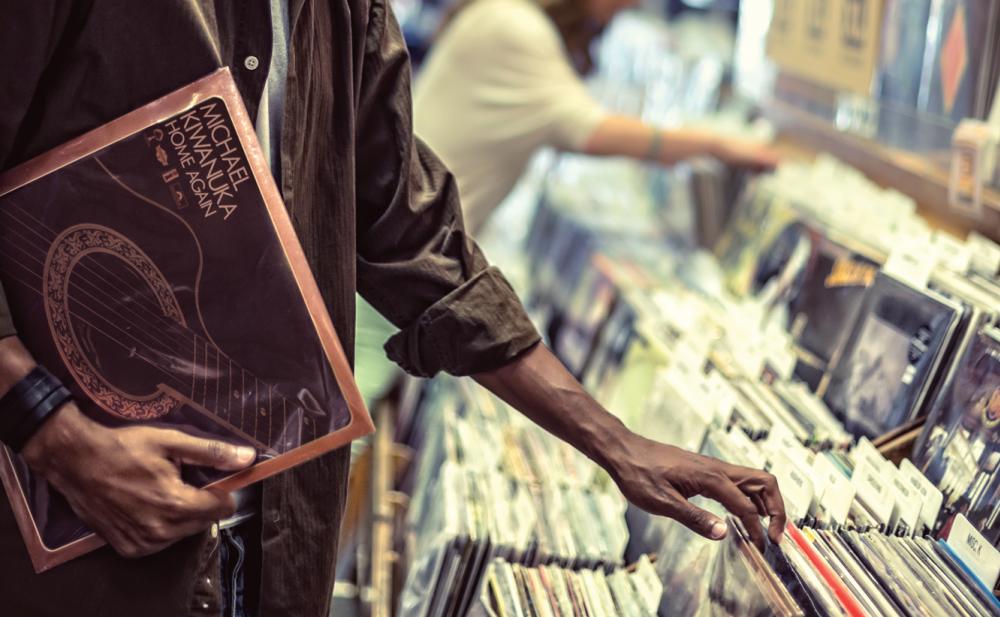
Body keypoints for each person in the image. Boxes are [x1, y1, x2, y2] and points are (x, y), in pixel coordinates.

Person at [0, 2, 784, 617]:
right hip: (68, 552)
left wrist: (619, 444)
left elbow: (414, 234)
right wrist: (50, 429)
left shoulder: (344, 12)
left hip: (266, 545)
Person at [413, 0, 781, 232]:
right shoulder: (517, 28)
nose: (632, 4)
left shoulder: (504, 14)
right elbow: (591, 131)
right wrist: (715, 144)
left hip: (402, 249)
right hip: (406, 261)